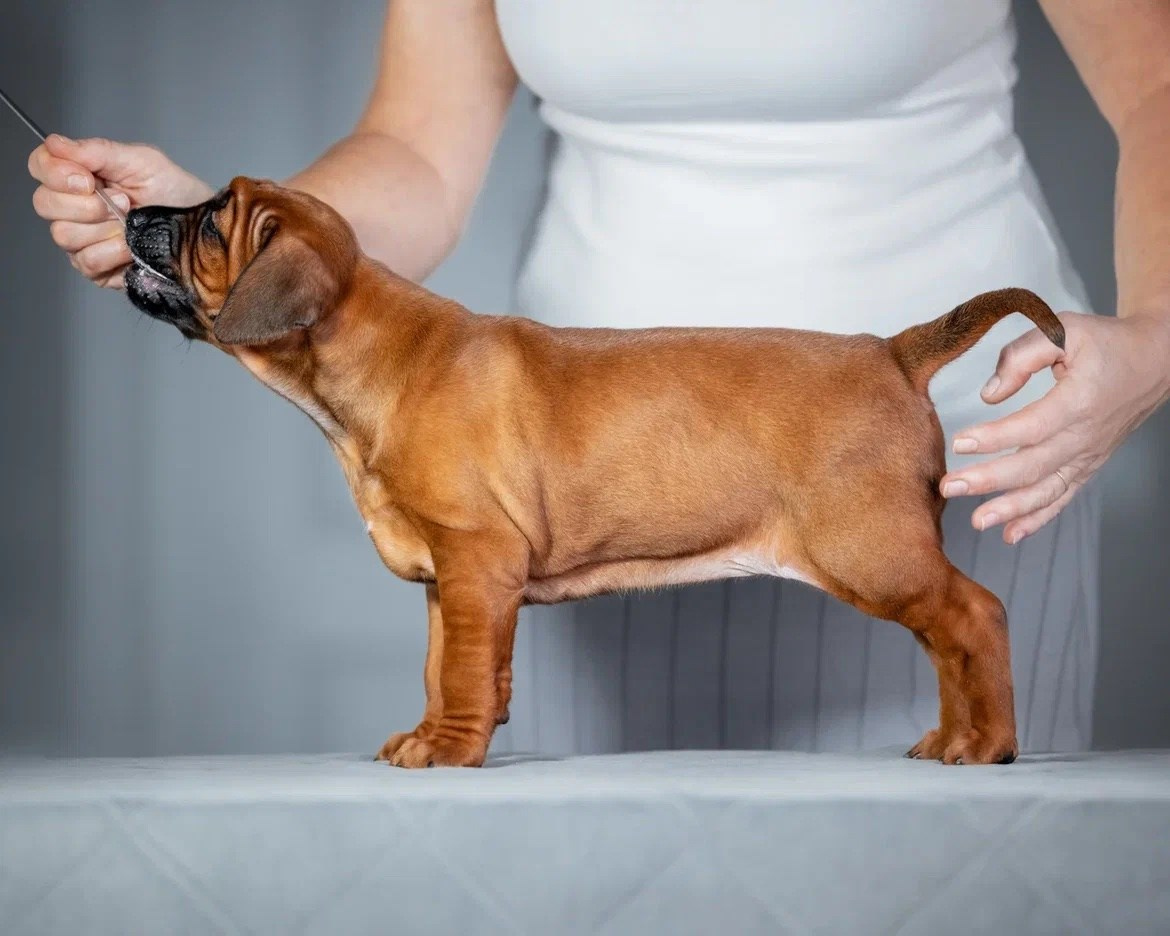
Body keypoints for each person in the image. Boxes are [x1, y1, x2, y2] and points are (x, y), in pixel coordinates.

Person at [27, 0, 1170, 755]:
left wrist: (1161, 329)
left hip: (977, 457)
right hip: (578, 494)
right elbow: (419, 147)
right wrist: (212, 234)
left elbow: (1157, 84)